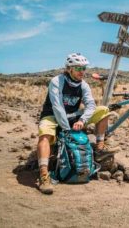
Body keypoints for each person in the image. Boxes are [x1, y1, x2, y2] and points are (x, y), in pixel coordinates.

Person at [37, 53, 119, 194]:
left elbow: (91, 105)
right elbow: (57, 107)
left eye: (84, 68)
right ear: (69, 69)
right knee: (45, 135)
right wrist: (66, 129)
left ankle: (99, 147)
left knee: (103, 110)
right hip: (52, 115)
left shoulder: (84, 85)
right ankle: (44, 176)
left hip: (73, 116)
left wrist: (82, 120)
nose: (82, 71)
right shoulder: (57, 81)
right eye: (78, 68)